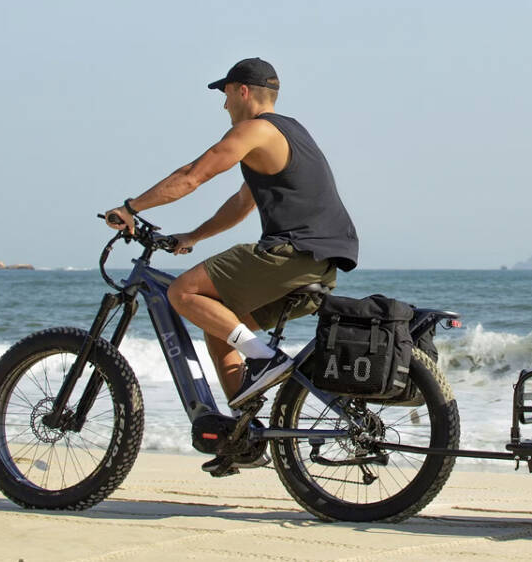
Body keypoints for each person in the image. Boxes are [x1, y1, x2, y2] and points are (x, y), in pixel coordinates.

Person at [104, 58, 359, 468]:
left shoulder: (255, 130)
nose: (224, 106)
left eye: (225, 96)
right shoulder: (290, 133)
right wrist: (193, 237)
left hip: (290, 255)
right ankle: (245, 437)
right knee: (220, 327)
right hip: (321, 264)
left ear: (242, 91)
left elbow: (192, 175)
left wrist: (131, 208)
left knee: (182, 292)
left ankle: (263, 358)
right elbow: (242, 203)